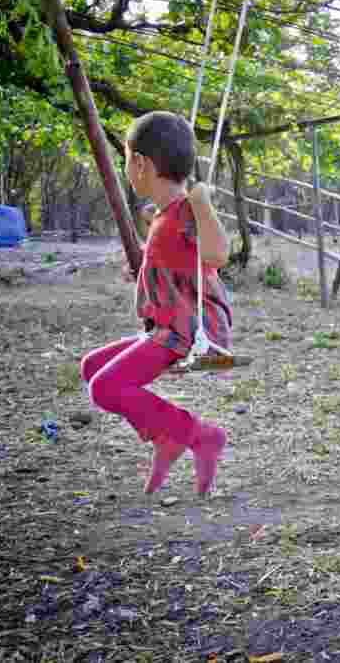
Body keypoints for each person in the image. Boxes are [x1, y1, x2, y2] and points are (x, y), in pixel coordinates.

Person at [80, 111, 231, 497]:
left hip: (191, 331)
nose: (126, 168)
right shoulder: (164, 214)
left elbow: (216, 255)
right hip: (168, 327)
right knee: (93, 366)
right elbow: (172, 263)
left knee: (105, 387)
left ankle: (196, 434)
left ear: (141, 163)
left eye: (126, 159)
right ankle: (164, 436)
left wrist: (203, 201)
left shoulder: (186, 208)